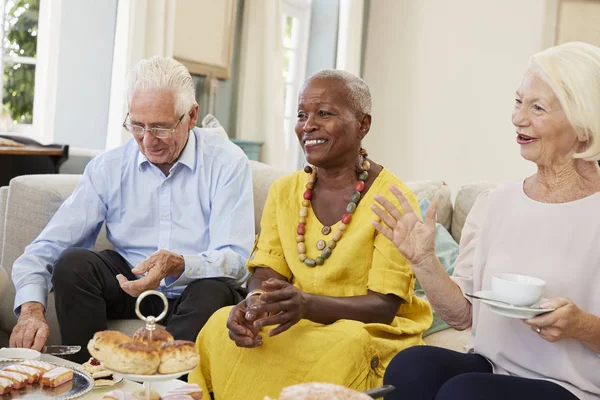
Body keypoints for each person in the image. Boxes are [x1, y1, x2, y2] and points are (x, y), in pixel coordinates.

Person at [373, 42, 600, 400]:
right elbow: (464, 316)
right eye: (518, 101)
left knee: (466, 393)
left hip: (575, 388)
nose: (518, 118)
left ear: (584, 126)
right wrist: (423, 261)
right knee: (411, 367)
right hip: (494, 367)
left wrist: (583, 326)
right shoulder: (494, 204)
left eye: (537, 107)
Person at [188, 70, 432, 399]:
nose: (308, 125)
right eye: (302, 114)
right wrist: (254, 305)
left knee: (346, 344)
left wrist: (307, 304)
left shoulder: (393, 199)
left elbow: (382, 307)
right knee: (219, 324)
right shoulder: (285, 191)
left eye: (324, 113)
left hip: (365, 329)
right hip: (299, 320)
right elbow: (265, 273)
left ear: (363, 124)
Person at [9, 56, 255, 363]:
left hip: (196, 290)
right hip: (129, 286)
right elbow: (46, 248)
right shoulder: (108, 167)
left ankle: (169, 387)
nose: (148, 141)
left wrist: (181, 264)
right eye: (137, 125)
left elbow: (237, 261)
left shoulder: (227, 162)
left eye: (161, 128)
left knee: (214, 293)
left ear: (191, 117)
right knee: (72, 265)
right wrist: (31, 308)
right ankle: (90, 378)